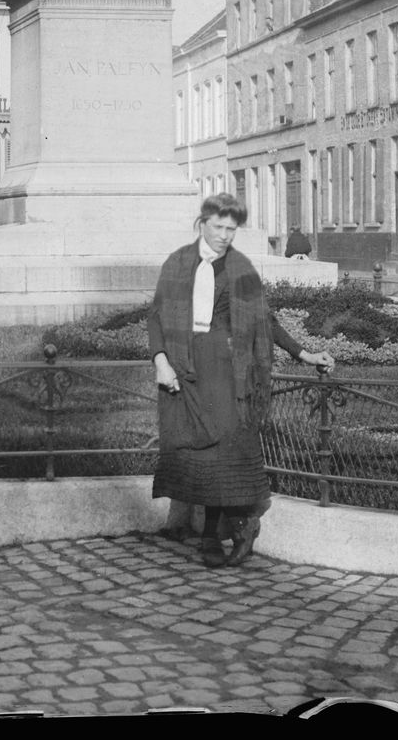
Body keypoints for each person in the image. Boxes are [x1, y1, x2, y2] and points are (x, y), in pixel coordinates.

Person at [150, 194, 334, 569]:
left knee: (222, 452)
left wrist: (305, 354)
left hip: (224, 371)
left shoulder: (241, 269)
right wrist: (160, 362)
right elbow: (155, 316)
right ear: (201, 223)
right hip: (183, 368)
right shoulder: (177, 264)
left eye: (231, 230)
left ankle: (215, 536)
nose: (224, 235)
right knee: (192, 450)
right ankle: (236, 525)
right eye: (218, 227)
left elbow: (264, 321)